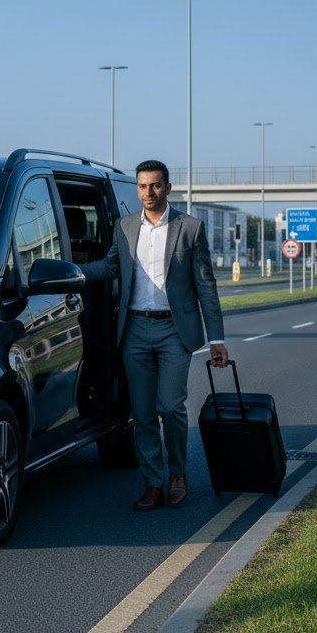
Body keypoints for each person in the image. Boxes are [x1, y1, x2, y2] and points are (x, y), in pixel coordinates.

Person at [83, 160, 228, 510]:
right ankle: (152, 482)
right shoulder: (126, 226)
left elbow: (206, 286)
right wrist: (72, 271)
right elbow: (110, 266)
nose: (148, 193)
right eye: (142, 186)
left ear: (168, 187)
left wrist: (216, 339)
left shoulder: (190, 228)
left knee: (171, 406)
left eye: (155, 186)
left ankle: (177, 474)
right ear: (137, 188)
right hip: (134, 329)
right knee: (143, 413)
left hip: (173, 330)